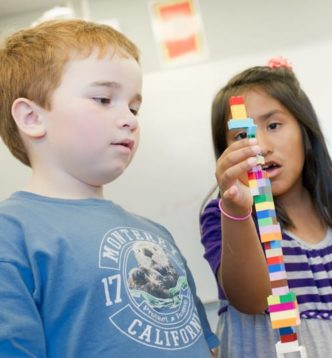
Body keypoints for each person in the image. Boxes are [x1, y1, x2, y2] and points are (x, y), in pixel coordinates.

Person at [0, 19, 218, 357]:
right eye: (103, 99)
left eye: (134, 107)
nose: (130, 119)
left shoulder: (156, 234)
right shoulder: (11, 234)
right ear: (32, 118)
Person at [200, 57, 332, 357]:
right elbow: (251, 300)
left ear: (305, 130)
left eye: (273, 125)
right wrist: (237, 212)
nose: (259, 146)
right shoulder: (225, 217)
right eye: (241, 135)